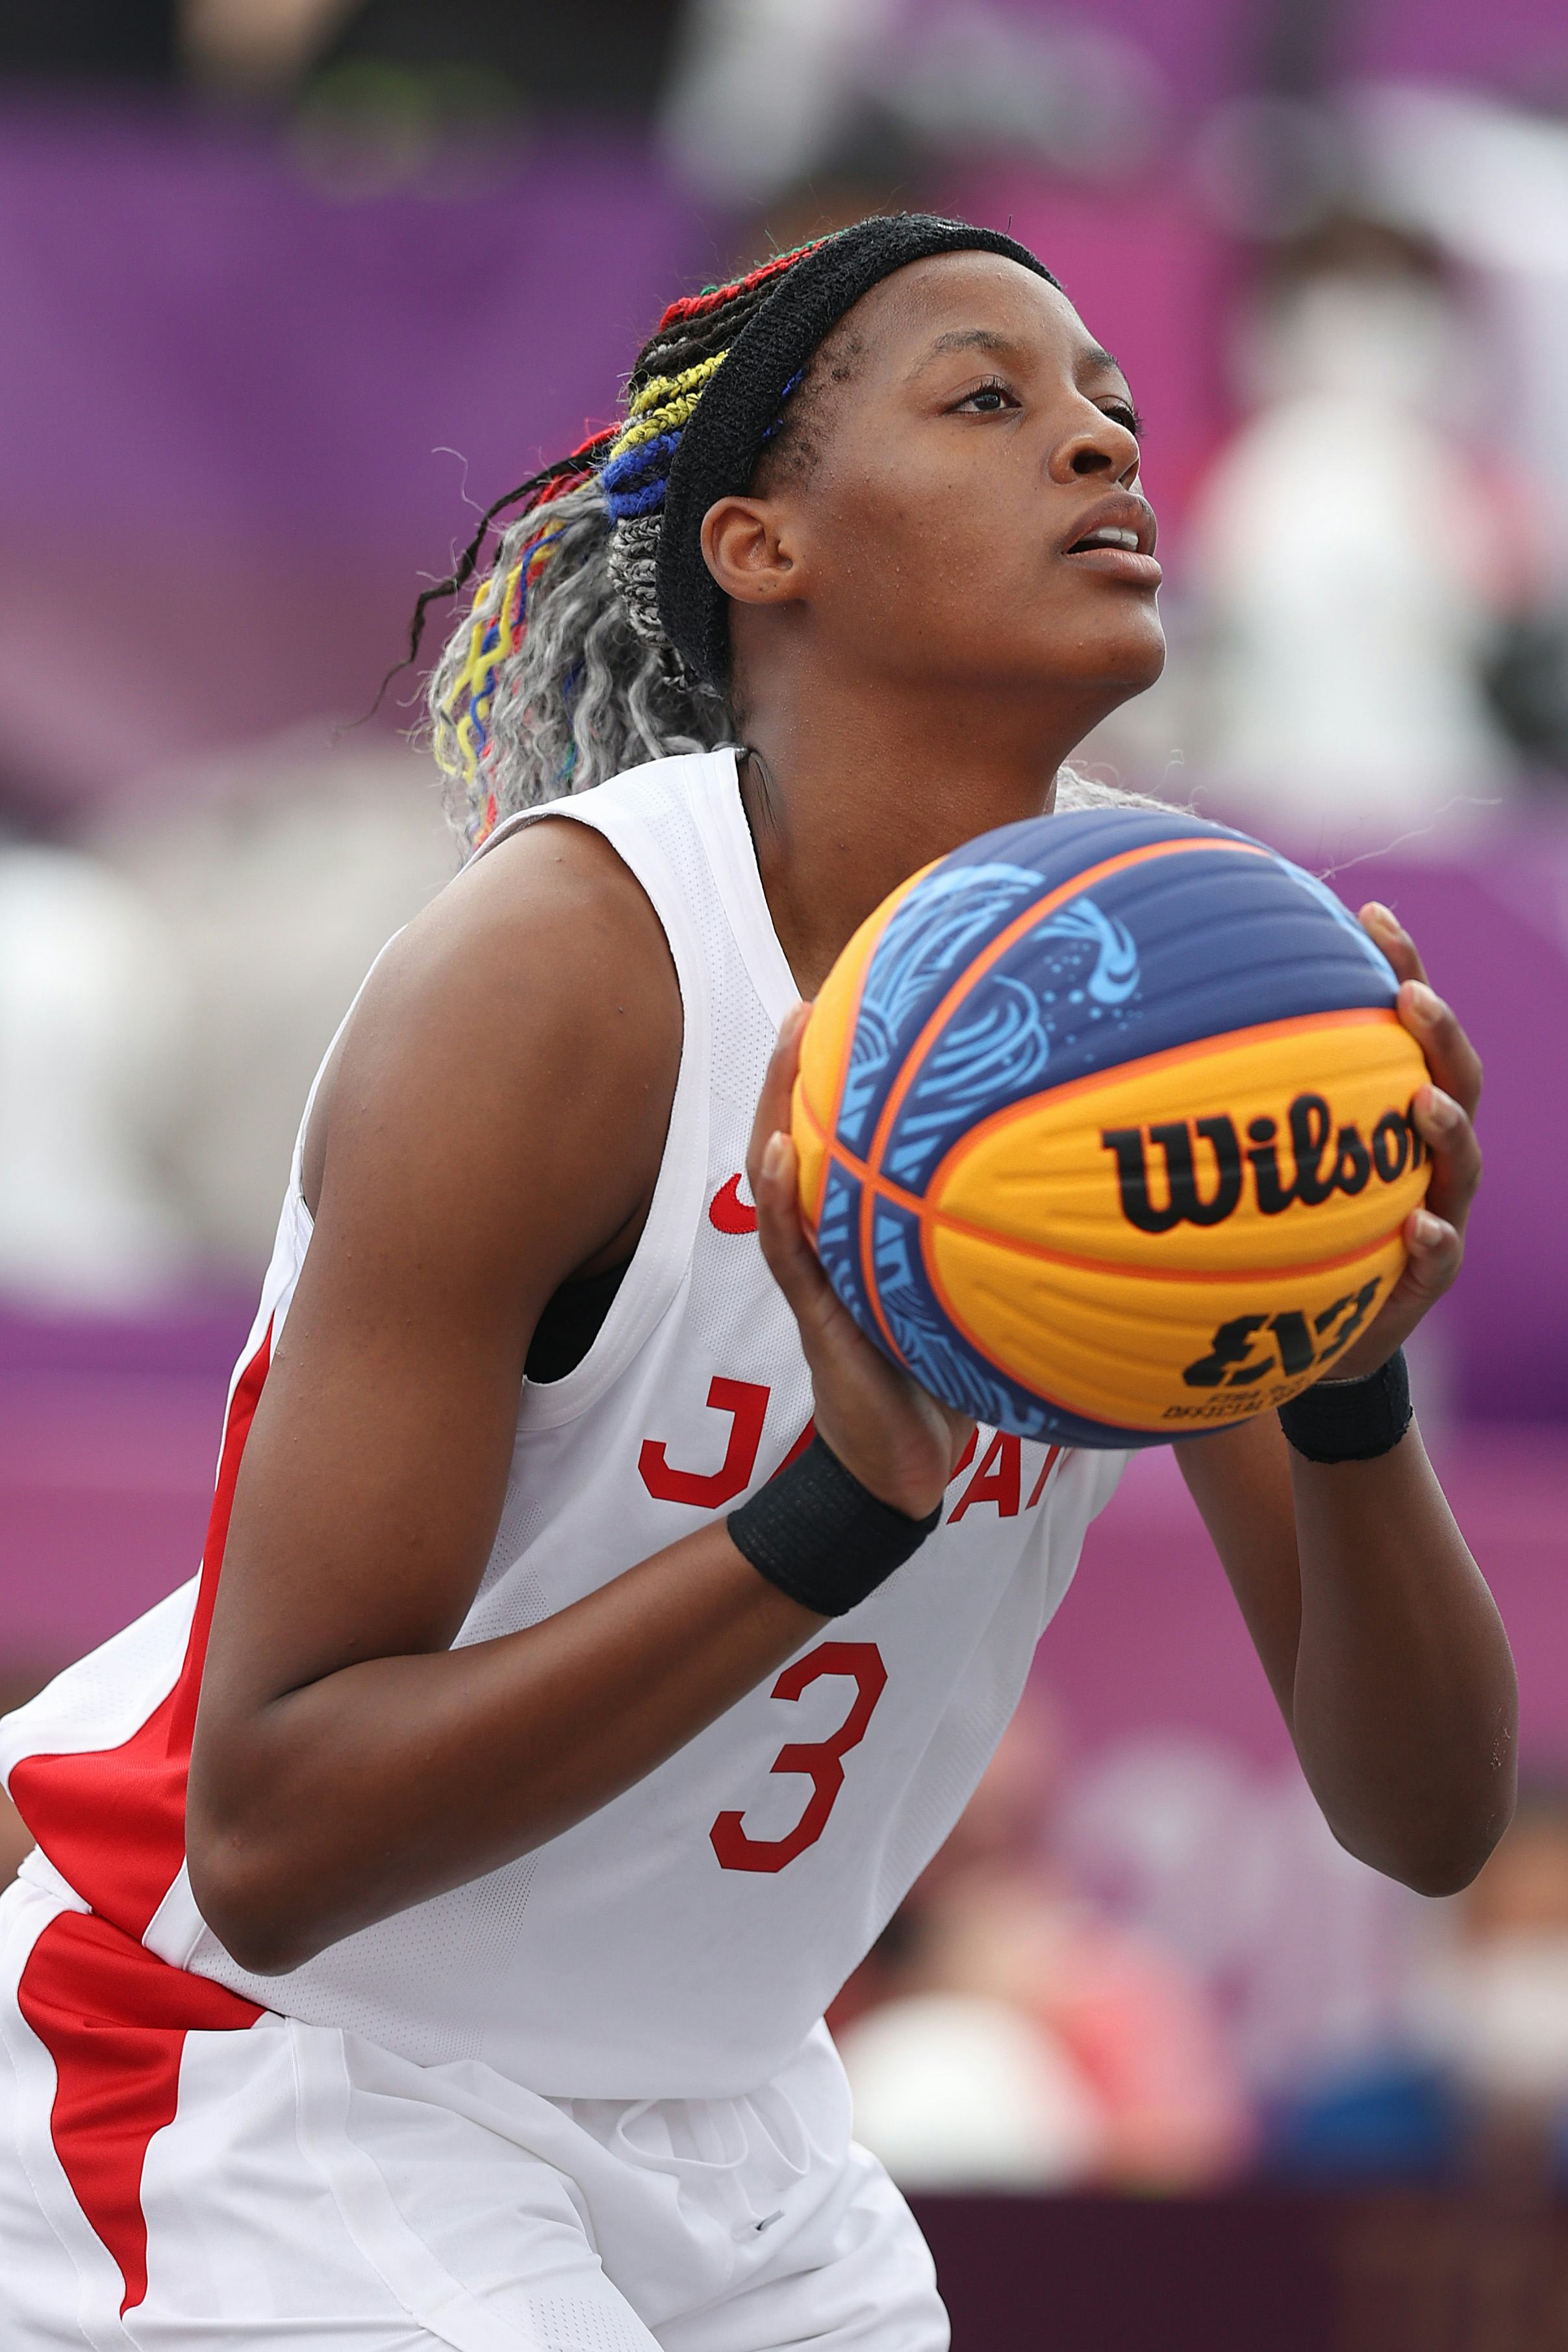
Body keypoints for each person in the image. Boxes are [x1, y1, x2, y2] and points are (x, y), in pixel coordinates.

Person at [0, 215, 1515, 2351]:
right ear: (759, 542)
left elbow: (1425, 1818)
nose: (1101, 442)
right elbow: (267, 1840)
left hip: (730, 2120)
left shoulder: (1182, 996)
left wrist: (1347, 1372)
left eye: (1112, 405)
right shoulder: (567, 977)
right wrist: (836, 1514)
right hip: (255, 2057)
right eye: (988, 398)